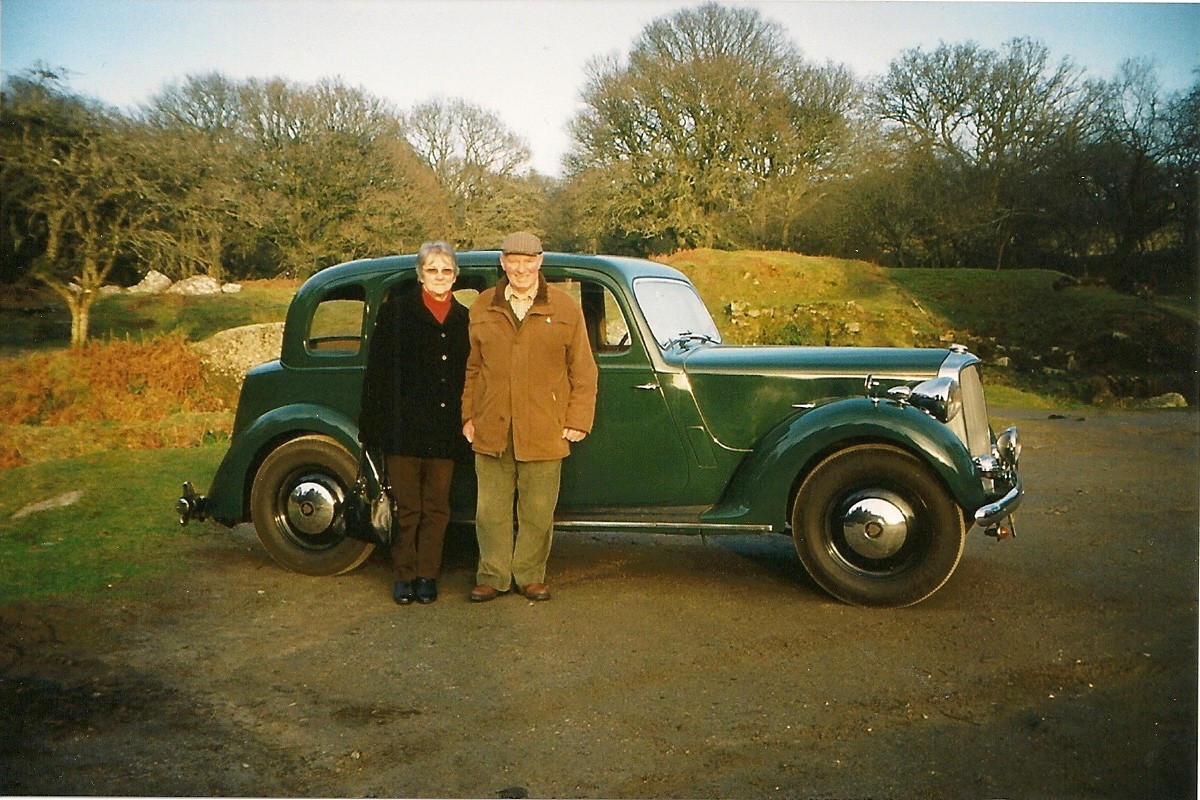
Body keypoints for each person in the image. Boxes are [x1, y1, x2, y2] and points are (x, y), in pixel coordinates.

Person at [461, 231, 598, 602]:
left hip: (544, 426)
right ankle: (492, 575)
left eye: (528, 260)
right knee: (490, 510)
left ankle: (529, 575)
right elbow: (473, 368)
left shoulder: (565, 308)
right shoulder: (483, 306)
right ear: (503, 263)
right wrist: (467, 416)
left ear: (540, 262)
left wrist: (578, 419)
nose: (520, 268)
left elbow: (583, 370)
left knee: (538, 510)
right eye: (513, 260)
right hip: (492, 424)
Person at [360, 241, 470, 605]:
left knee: (437, 508)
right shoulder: (398, 312)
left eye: (446, 271)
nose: (439, 277)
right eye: (432, 270)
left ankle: (428, 575)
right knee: (408, 508)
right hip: (403, 429)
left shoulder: (464, 318)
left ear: (455, 276)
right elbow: (378, 373)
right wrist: (374, 429)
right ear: (420, 274)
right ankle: (404, 574)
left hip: (444, 430)